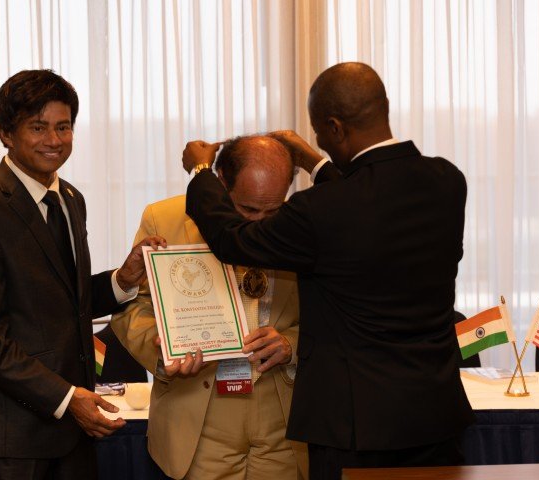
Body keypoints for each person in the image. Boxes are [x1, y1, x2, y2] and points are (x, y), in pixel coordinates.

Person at [181, 62, 475, 478]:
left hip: (353, 429)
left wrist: (200, 172)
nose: (319, 140)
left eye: (320, 131)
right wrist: (314, 161)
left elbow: (233, 239)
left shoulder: (320, 211)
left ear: (335, 127)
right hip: (435, 417)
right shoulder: (447, 181)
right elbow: (368, 202)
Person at [0, 69, 165, 479]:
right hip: (11, 440)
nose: (54, 140)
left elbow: (65, 303)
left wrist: (123, 279)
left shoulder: (69, 199)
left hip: (73, 432)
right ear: (6, 133)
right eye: (38, 127)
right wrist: (67, 398)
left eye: (63, 127)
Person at [111, 135, 308, 479]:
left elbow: (335, 312)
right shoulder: (165, 218)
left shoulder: (302, 223)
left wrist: (291, 343)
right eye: (248, 209)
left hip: (282, 422)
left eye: (272, 211)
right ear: (221, 183)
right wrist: (163, 354)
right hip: (198, 420)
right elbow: (132, 306)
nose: (260, 223)